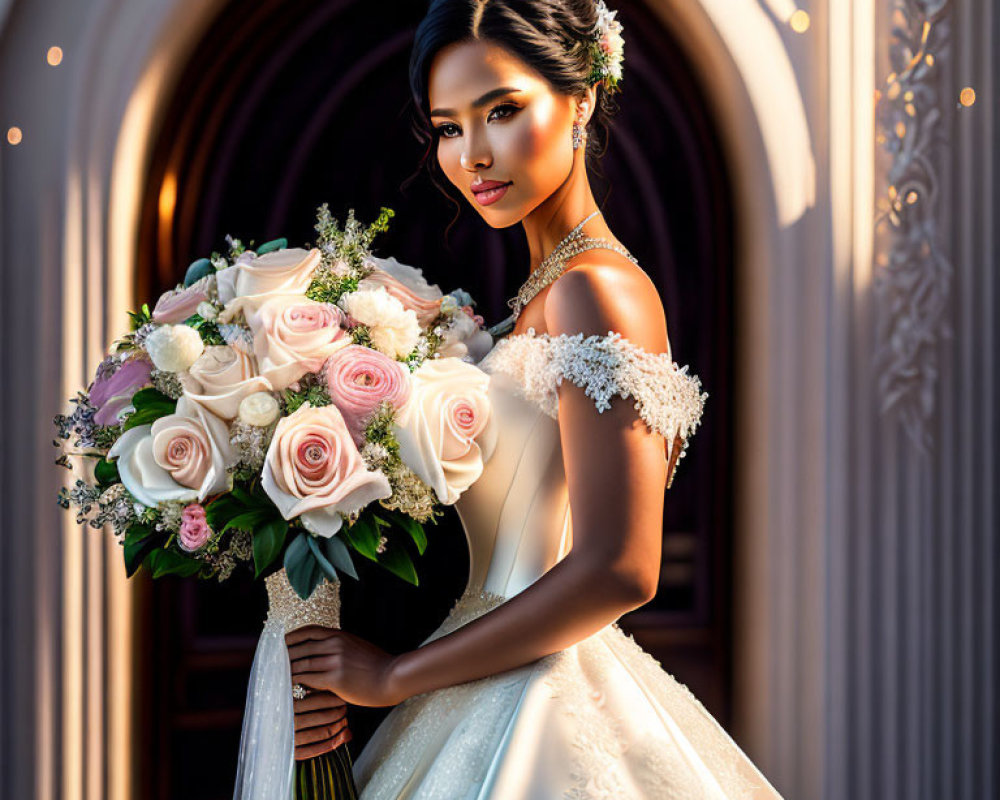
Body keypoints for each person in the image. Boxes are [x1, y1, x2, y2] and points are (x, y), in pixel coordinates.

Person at [284, 0, 785, 796]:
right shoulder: (541, 298)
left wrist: (396, 678)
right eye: (448, 127)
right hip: (481, 678)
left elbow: (621, 567)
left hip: (537, 704)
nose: (472, 155)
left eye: (503, 111)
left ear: (581, 97)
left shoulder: (596, 291)